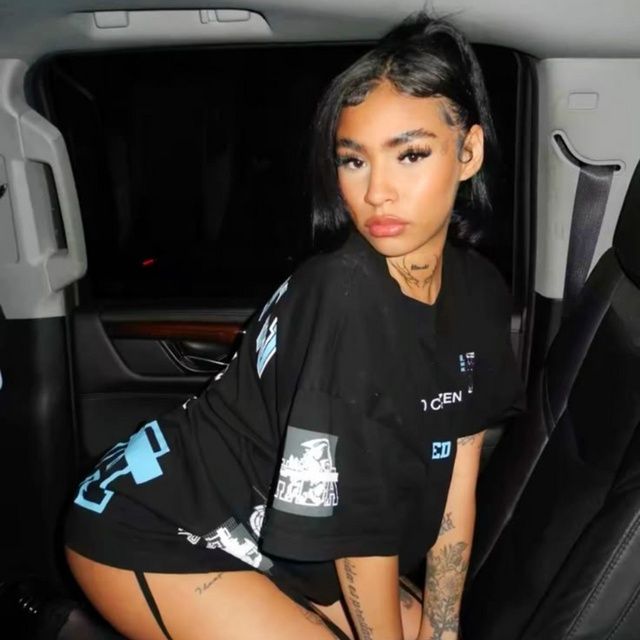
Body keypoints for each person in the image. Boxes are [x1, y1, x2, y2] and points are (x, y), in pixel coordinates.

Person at [64, 11, 526, 640]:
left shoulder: (480, 294)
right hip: (154, 522)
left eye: (410, 154)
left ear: (468, 152)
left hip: (284, 540)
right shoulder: (346, 295)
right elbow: (353, 531)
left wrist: (444, 629)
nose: (378, 192)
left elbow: (456, 482)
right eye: (353, 161)